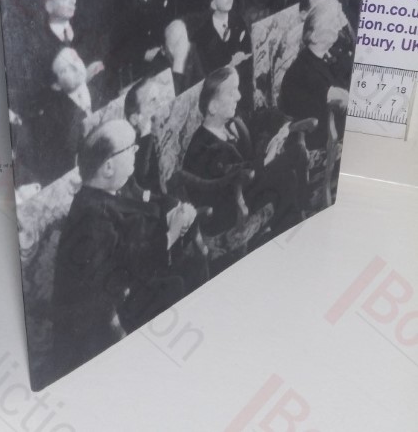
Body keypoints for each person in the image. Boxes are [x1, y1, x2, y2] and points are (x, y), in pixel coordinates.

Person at [51, 120, 196, 378]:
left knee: (184, 273)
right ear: (108, 167)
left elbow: (137, 223)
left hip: (125, 289)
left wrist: (173, 214)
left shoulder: (113, 188)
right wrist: (171, 233)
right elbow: (117, 277)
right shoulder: (91, 217)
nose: (136, 151)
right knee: (178, 283)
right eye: (131, 148)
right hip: (100, 325)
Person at [182, 67, 301, 272]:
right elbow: (229, 177)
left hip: (244, 190)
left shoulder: (231, 122)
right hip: (224, 211)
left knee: (287, 172)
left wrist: (282, 127)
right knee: (287, 170)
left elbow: (261, 118)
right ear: (213, 107)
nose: (238, 96)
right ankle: (290, 243)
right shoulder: (202, 148)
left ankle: (287, 242)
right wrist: (267, 159)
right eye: (231, 93)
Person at [279, 0, 349, 149]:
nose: (336, 27)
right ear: (314, 37)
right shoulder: (304, 69)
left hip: (328, 127)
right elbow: (342, 100)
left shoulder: (323, 56)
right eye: (330, 23)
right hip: (311, 138)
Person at [27, 47, 101, 186]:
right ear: (56, 85)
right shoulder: (55, 115)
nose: (75, 67)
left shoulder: (99, 90)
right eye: (64, 70)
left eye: (75, 59)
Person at [109, 0, 172, 89]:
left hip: (164, 58)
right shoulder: (124, 0)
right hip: (137, 67)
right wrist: (142, 54)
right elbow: (118, 44)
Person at [193, 0, 252, 75]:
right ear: (213, 3)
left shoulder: (238, 20)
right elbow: (207, 75)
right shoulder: (202, 36)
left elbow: (249, 51)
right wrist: (230, 66)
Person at [150, 19, 205, 95]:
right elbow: (171, 97)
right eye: (176, 44)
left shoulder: (190, 49)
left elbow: (201, 80)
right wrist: (178, 67)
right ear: (163, 49)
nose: (181, 47)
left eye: (183, 40)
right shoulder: (158, 64)